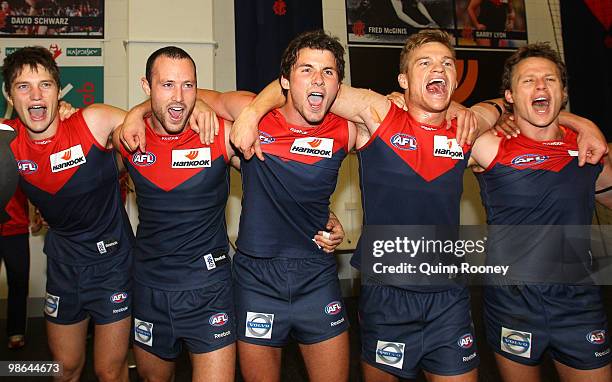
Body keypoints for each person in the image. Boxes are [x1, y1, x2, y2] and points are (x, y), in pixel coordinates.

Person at [229, 29, 608, 382]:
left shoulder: (468, 127)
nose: (437, 68)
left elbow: (514, 110)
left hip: (449, 297)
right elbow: (307, 87)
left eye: (446, 63)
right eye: (424, 63)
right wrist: (250, 112)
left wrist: (582, 124)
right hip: (385, 293)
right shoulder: (376, 114)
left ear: (456, 81)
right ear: (404, 81)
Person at [121, 31, 353, 381]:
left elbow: (280, 178)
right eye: (306, 69)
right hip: (233, 280)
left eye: (328, 73)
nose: (317, 79)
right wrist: (135, 113)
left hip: (298, 275)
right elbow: (186, 101)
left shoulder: (343, 129)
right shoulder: (130, 138)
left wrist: (324, 214)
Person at [467, 42, 612, 382]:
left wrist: (583, 125)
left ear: (563, 91)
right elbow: (461, 120)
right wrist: (502, 114)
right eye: (527, 81)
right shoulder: (489, 144)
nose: (541, 86)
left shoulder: (587, 149)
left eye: (550, 80)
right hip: (513, 302)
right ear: (510, 95)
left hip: (579, 302)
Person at [3, 46, 133, 382]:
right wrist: (35, 209)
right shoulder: (8, 143)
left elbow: (154, 126)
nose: (35, 95)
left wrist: (200, 107)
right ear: (8, 95)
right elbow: (39, 175)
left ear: (59, 91)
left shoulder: (92, 120)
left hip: (113, 263)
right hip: (63, 265)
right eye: (23, 86)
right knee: (64, 369)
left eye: (45, 85)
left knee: (109, 371)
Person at [0, 186, 30, 349]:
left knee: (19, 279)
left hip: (15, 226)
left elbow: (30, 185)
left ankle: (16, 331)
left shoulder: (17, 159)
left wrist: (35, 214)